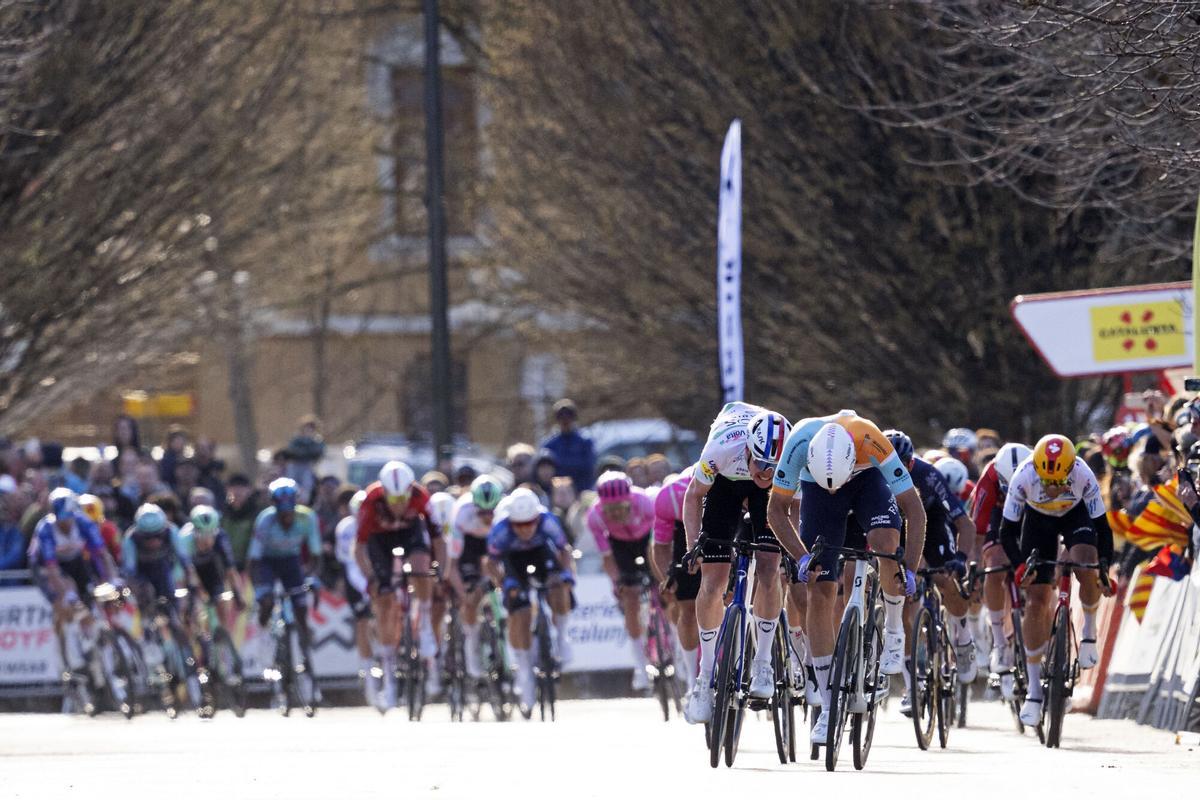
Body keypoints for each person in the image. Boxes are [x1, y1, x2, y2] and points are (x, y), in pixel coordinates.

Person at [767, 412, 926, 744]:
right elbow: (775, 511)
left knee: (885, 545)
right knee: (819, 591)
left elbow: (914, 509)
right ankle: (827, 707)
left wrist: (908, 569)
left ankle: (893, 627)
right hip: (818, 493)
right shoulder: (798, 443)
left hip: (867, 481)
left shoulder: (870, 439)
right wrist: (802, 556)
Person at [682, 403, 792, 724]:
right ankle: (703, 680)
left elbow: (795, 509)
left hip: (771, 497)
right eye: (760, 463)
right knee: (713, 583)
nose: (765, 472)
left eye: (773, 466)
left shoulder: (790, 456)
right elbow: (692, 496)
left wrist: (796, 550)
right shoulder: (721, 448)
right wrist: (693, 547)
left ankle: (762, 663)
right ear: (748, 449)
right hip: (725, 485)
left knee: (770, 571)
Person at [998, 435, 1114, 726]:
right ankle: (1034, 692)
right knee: (1036, 603)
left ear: (1069, 473)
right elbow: (1006, 532)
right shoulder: (1024, 476)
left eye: (1059, 482)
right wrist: (1020, 565)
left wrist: (1103, 567)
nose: (1052, 488)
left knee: (1086, 558)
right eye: (1046, 481)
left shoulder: (1083, 475)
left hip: (1075, 517)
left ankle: (1088, 632)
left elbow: (1103, 528)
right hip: (1037, 523)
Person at [884, 430, 978, 716]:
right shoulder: (875, 477)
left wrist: (960, 558)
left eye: (904, 466)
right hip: (897, 526)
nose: (899, 472)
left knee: (943, 578)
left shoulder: (928, 475)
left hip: (933, 522)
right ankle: (912, 687)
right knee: (903, 598)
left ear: (911, 462)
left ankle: (962, 637)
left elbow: (965, 524)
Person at [354, 461, 442, 706]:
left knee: (421, 567)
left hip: (410, 533)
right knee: (383, 604)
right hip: (379, 541)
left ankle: (423, 622)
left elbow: (438, 540)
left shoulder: (421, 497)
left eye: (403, 498)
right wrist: (370, 576)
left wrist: (440, 572)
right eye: (393, 500)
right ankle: (390, 676)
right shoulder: (370, 501)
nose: (399, 505)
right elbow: (359, 548)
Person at [486, 487, 575, 713]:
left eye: (530, 524)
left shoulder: (548, 521)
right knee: (521, 613)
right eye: (519, 525)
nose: (525, 530)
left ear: (537, 518)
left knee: (558, 587)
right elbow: (491, 564)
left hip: (541, 553)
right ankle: (524, 672)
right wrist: (504, 584)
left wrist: (566, 575)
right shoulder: (501, 530)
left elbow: (564, 550)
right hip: (512, 562)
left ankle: (562, 636)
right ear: (511, 522)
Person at [968, 441, 1031, 692]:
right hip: (999, 515)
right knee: (993, 564)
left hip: (1031, 513)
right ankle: (999, 644)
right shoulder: (990, 478)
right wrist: (975, 565)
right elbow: (977, 532)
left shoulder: (1037, 472)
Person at [248, 478, 323, 684]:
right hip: (267, 562)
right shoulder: (265, 520)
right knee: (267, 601)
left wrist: (312, 577)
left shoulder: (307, 518)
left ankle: (305, 654)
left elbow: (316, 556)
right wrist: (259, 589)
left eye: (289, 514)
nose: (286, 518)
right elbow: (253, 559)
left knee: (300, 605)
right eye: (282, 514)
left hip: (291, 561)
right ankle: (262, 637)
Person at [587, 471, 656, 692]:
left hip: (649, 541)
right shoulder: (595, 517)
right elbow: (607, 558)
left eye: (621, 508)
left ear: (630, 501)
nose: (616, 513)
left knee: (666, 587)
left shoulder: (645, 503)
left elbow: (659, 542)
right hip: (620, 547)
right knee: (630, 596)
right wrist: (618, 583)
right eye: (611, 510)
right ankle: (640, 665)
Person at [32, 489, 116, 669]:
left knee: (91, 600)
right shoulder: (46, 530)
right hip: (45, 568)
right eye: (62, 520)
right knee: (66, 604)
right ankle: (67, 659)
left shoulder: (83, 522)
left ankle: (95, 646)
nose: (67, 524)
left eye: (69, 519)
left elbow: (103, 554)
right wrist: (66, 595)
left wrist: (113, 579)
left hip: (74, 561)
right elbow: (52, 569)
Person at [446, 475, 505, 679]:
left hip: (493, 541)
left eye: (492, 512)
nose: (488, 517)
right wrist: (464, 594)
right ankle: (471, 642)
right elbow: (451, 567)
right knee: (471, 595)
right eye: (482, 512)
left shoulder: (505, 512)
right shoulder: (462, 513)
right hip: (468, 545)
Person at [651, 468, 700, 691]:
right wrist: (668, 577)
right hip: (683, 532)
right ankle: (692, 679)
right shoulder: (668, 497)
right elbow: (660, 548)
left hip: (726, 520)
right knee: (687, 607)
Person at [334, 488, 377, 706]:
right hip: (356, 573)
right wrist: (364, 586)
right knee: (362, 620)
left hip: (376, 569)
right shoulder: (346, 528)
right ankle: (368, 670)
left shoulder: (377, 522)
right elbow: (348, 562)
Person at [179, 505, 245, 632]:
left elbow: (230, 569)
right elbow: (183, 573)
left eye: (211, 535)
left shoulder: (221, 537)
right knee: (189, 607)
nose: (207, 541)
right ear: (194, 532)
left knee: (219, 598)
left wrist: (238, 594)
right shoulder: (184, 540)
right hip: (189, 571)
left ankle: (224, 634)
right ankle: (193, 637)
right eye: (202, 535)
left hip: (209, 567)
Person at [121, 503, 190, 622]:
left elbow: (184, 560)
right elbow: (129, 570)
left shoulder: (171, 531)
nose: (153, 541)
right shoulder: (130, 539)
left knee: (173, 597)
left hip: (164, 568)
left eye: (157, 535)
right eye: (147, 537)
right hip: (141, 572)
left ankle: (177, 622)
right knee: (144, 594)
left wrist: (189, 583)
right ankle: (147, 624)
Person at [541, 399, 596, 490]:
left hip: (582, 488)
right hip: (557, 491)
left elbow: (590, 468)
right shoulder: (549, 444)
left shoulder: (585, 442)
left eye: (568, 416)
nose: (565, 421)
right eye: (561, 417)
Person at [223, 474, 262, 571]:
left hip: (251, 568)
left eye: (242, 487)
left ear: (250, 490)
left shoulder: (258, 515)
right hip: (226, 568)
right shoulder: (222, 515)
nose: (237, 491)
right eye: (233, 487)